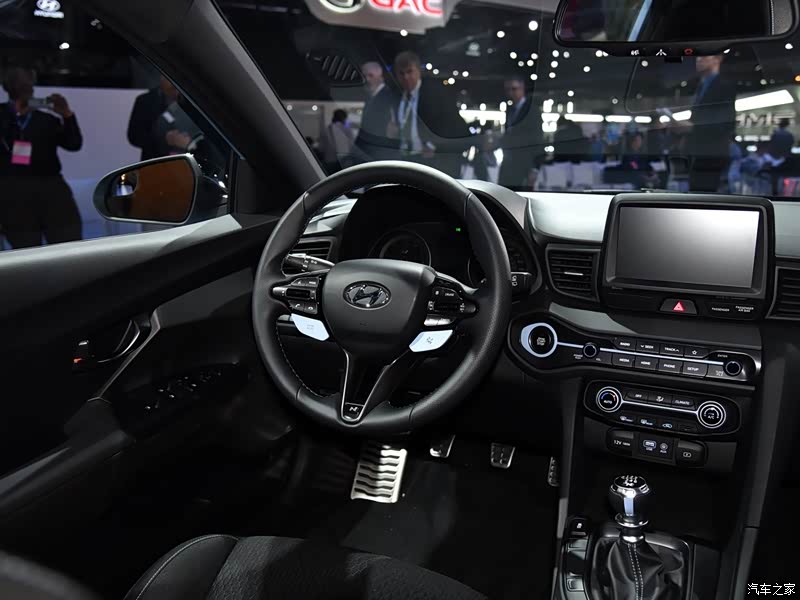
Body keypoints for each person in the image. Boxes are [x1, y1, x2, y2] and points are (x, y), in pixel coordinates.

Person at [0, 67, 82, 248]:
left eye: (30, 84)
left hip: (51, 188)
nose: (28, 88)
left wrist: (67, 115)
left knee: (68, 243)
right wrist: (18, 116)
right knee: (25, 248)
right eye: (22, 84)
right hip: (13, 193)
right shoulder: (3, 116)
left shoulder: (47, 120)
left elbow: (74, 144)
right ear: (8, 87)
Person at [389, 51, 471, 178]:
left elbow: (451, 123)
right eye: (401, 73)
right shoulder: (396, 95)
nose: (406, 77)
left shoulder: (436, 93)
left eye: (409, 72)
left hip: (434, 158)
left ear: (418, 71)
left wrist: (433, 145)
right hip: (406, 158)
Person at [687, 54, 737, 192]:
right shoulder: (701, 86)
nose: (698, 60)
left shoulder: (724, 86)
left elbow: (726, 123)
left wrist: (692, 127)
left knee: (705, 194)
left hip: (712, 153)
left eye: (704, 56)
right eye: (697, 57)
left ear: (717, 59)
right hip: (698, 152)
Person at [498, 76, 542, 189]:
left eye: (514, 89)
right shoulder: (509, 110)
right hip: (508, 164)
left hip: (524, 164)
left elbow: (537, 140)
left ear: (522, 89)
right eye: (508, 89)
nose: (510, 93)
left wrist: (535, 168)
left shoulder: (532, 110)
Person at [127, 75, 182, 161]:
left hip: (187, 161)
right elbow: (134, 136)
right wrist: (164, 139)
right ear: (162, 77)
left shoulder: (190, 100)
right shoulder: (145, 100)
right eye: (168, 77)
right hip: (154, 161)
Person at [354, 61, 396, 162]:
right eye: (364, 76)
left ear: (380, 77)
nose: (367, 79)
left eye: (370, 75)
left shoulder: (388, 97)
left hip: (380, 154)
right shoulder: (372, 98)